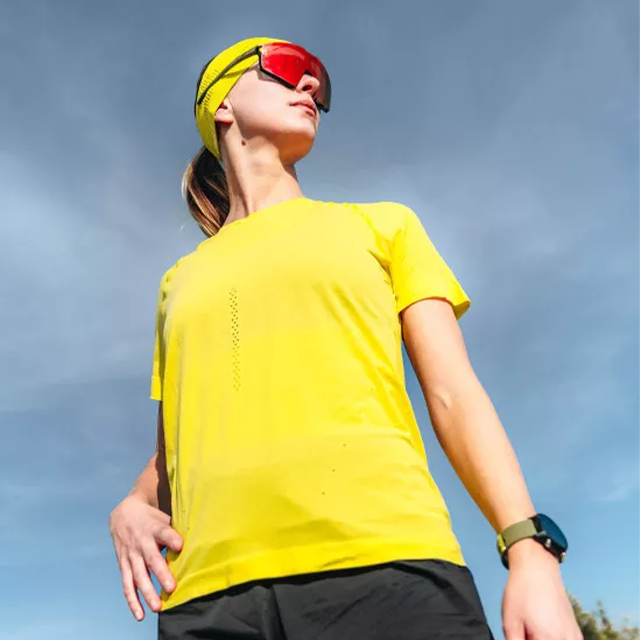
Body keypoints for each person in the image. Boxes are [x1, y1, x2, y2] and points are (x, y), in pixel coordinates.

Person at [109, 37, 583, 640]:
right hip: (205, 598)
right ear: (220, 104)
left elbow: (453, 393)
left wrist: (528, 549)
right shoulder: (177, 282)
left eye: (319, 82)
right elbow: (176, 443)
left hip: (388, 567)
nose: (311, 86)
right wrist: (133, 504)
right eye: (287, 68)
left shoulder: (384, 226)